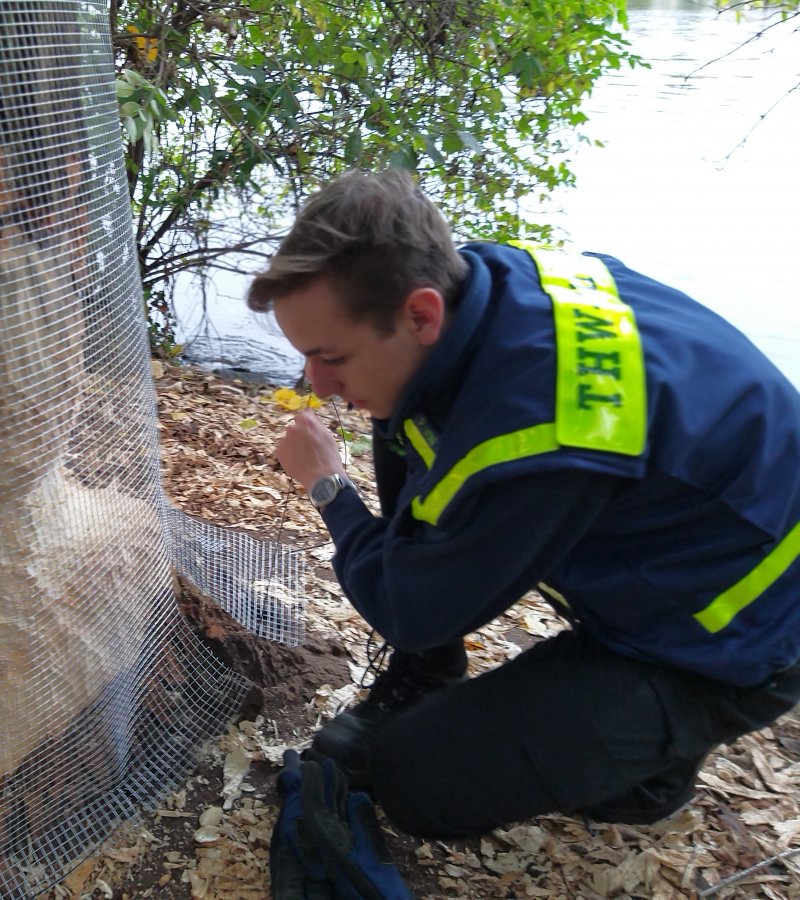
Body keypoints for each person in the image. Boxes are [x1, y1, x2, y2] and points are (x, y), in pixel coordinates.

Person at [247, 169, 800, 838]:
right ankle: (437, 678)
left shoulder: (548, 430)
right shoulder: (483, 283)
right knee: (408, 404)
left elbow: (407, 607)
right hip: (681, 544)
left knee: (417, 784)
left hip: (733, 636)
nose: (319, 385)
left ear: (421, 313)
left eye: (330, 356)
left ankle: (654, 767)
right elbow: (412, 440)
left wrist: (330, 488)